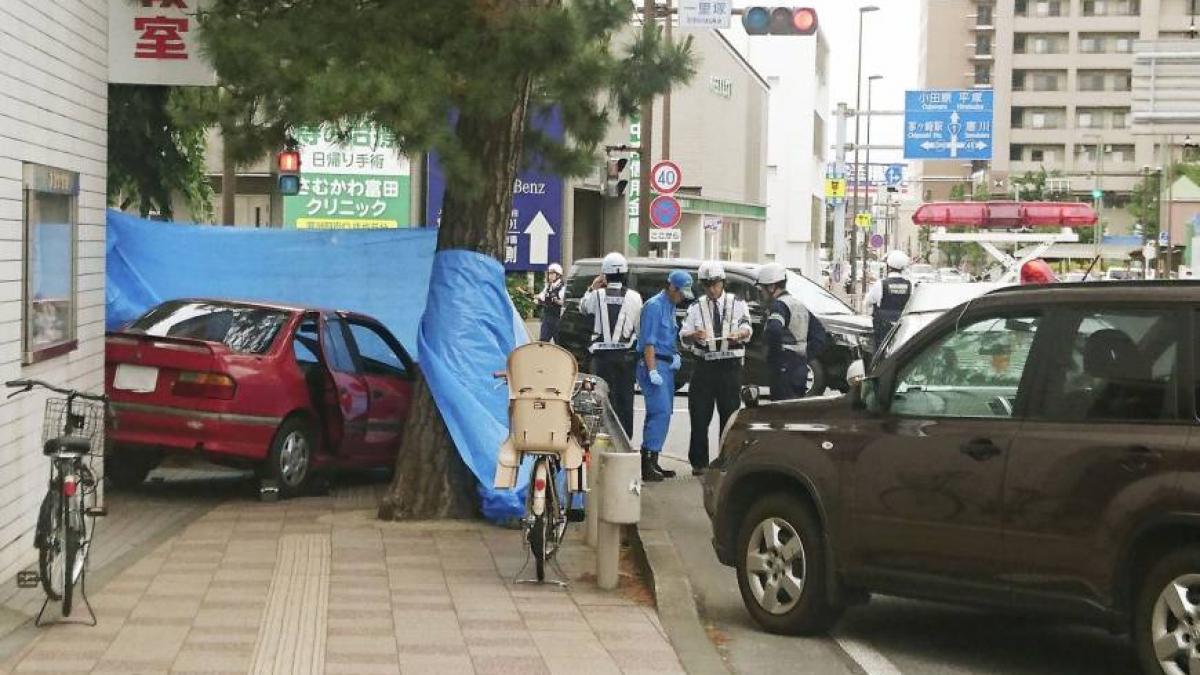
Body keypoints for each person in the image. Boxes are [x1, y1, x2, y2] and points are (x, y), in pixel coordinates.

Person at [680, 261, 751, 475]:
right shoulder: (695, 307)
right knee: (699, 415)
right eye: (707, 285)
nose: (712, 289)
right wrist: (694, 335)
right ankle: (699, 463)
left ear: (723, 283)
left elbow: (747, 327)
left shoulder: (737, 303)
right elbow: (683, 335)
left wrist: (740, 334)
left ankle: (726, 460)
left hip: (730, 366)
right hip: (704, 366)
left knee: (729, 416)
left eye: (715, 284)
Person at [635, 269, 692, 482]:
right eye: (681, 292)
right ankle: (647, 463)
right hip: (654, 363)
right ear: (672, 287)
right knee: (659, 412)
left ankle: (654, 459)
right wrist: (651, 370)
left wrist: (676, 354)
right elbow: (648, 342)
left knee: (664, 413)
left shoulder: (670, 306)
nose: (683, 297)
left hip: (666, 365)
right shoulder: (654, 306)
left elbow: (669, 336)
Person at [580, 252, 643, 440]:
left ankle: (598, 440)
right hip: (625, 357)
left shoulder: (596, 296)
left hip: (601, 359)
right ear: (625, 274)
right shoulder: (635, 297)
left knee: (599, 400)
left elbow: (583, 307)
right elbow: (639, 328)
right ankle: (623, 441)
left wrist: (591, 287)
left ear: (604, 276)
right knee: (624, 401)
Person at [756, 263, 810, 401]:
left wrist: (773, 357)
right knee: (795, 408)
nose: (761, 294)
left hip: (784, 366)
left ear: (771, 287)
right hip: (800, 365)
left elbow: (774, 329)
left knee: (780, 408)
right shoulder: (798, 303)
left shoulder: (779, 305)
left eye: (762, 290)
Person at [866, 250, 913, 353]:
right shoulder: (910, 285)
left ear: (888, 267)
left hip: (883, 329)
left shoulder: (881, 284)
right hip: (902, 327)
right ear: (902, 268)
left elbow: (868, 301)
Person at [535, 263, 566, 343]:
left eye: (552, 274)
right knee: (543, 342)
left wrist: (555, 300)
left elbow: (563, 303)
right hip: (547, 317)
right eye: (549, 273)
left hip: (557, 319)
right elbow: (541, 296)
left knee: (559, 343)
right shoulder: (548, 286)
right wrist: (534, 297)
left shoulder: (562, 287)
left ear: (558, 275)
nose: (550, 276)